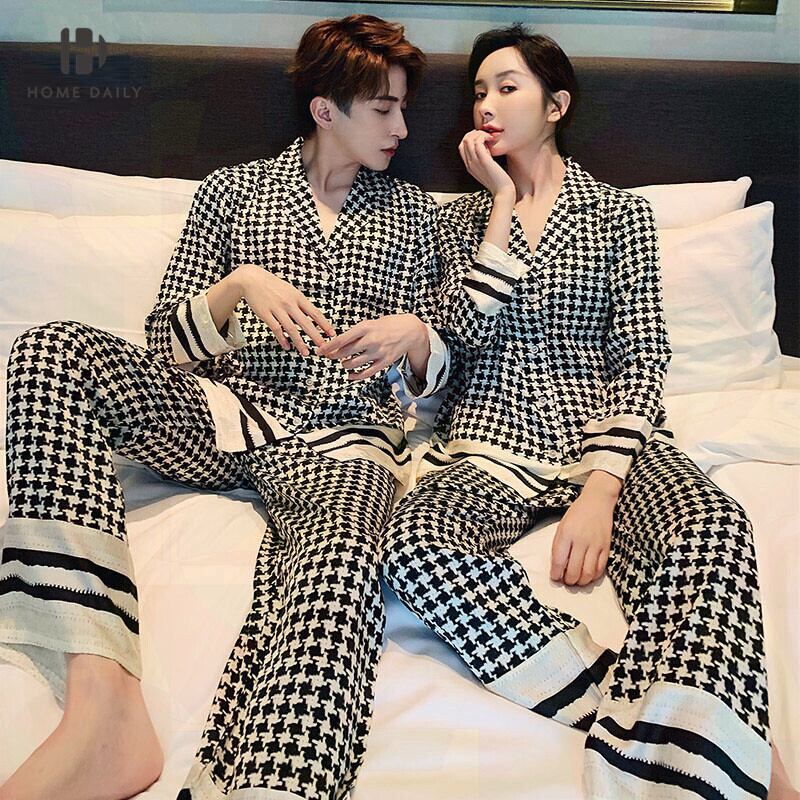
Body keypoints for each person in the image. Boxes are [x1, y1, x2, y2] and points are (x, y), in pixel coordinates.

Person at [0, 15, 446, 800]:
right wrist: (237, 288)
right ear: (326, 109)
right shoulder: (232, 192)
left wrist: (415, 337)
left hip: (344, 444)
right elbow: (163, 344)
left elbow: (451, 371)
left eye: (404, 108)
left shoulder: (414, 214)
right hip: (227, 417)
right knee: (49, 351)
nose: (402, 129)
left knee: (341, 562)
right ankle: (101, 705)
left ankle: (275, 780)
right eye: (384, 108)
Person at [373, 23, 797, 800]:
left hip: (606, 439)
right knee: (412, 546)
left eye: (508, 87)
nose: (487, 105)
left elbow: (643, 360)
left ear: (556, 105)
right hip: (488, 440)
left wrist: (602, 488)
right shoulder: (453, 221)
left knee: (710, 528)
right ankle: (686, 725)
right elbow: (454, 343)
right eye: (478, 92)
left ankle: (691, 732)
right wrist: (500, 207)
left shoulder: (619, 216)